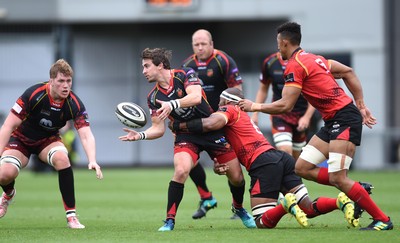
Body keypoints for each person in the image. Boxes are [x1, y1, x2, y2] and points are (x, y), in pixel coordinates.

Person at [238, 22, 393, 231]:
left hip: (344, 119)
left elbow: (285, 105)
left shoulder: (294, 65)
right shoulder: (316, 59)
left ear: (284, 43)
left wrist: (254, 106)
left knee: (338, 178)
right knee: (301, 167)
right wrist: (361, 105)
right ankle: (356, 190)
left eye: (278, 44)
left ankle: (383, 219)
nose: (278, 49)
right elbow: (348, 72)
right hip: (332, 121)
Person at [172, 87, 358, 229]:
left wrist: (180, 126)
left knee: (261, 221)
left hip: (263, 163)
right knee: (307, 208)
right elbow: (231, 151)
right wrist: (219, 166)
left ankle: (285, 204)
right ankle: (339, 201)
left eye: (221, 101)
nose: (217, 106)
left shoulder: (230, 110)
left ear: (228, 102)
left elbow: (212, 122)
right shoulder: (242, 118)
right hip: (280, 159)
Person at [119, 48, 255, 231]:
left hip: (210, 129)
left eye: (146, 66)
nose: (143, 71)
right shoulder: (153, 97)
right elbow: (158, 129)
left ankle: (238, 208)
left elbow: (196, 97)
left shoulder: (185, 74)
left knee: (237, 177)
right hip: (186, 135)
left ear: (160, 65)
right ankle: (169, 220)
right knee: (181, 170)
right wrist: (140, 135)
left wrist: (172, 104)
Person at [0, 59, 103, 229]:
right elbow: (8, 125)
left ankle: (72, 217)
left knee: (63, 159)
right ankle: (8, 194)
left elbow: (85, 134)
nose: (65, 86)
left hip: (48, 141)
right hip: (21, 139)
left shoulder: (74, 103)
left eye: (69, 81)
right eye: (61, 81)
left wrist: (92, 159)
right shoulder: (34, 94)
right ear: (51, 80)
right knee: (4, 174)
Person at [181, 29, 246, 219]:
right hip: (198, 121)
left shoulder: (223, 60)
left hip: (221, 119)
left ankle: (237, 206)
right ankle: (206, 197)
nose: (200, 48)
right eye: (196, 44)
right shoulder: (187, 65)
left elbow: (237, 90)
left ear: (211, 44)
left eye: (203, 44)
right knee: (187, 160)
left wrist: (234, 114)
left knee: (233, 169)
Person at [252, 51, 315, 160]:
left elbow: (315, 94)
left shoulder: (304, 61)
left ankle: (293, 176)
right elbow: (263, 89)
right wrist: (255, 114)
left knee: (297, 160)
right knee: (285, 151)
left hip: (301, 115)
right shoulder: (270, 62)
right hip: (279, 114)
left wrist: (307, 117)